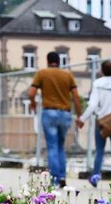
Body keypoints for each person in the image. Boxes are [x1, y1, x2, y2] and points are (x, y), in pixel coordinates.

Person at [29, 52, 82, 188]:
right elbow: (76, 96)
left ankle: (54, 180)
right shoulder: (67, 75)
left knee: (52, 147)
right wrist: (79, 115)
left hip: (49, 112)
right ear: (59, 61)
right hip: (65, 114)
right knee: (60, 147)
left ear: (47, 61)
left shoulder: (42, 74)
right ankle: (63, 176)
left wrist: (33, 104)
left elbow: (31, 93)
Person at [76, 60, 111, 188]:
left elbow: (92, 105)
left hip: (102, 122)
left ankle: (95, 178)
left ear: (101, 70)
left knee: (99, 151)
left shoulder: (97, 83)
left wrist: (82, 119)